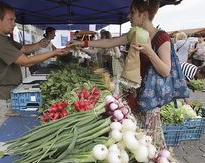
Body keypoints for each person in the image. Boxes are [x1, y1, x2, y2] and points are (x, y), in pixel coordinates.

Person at [68, 0, 171, 147]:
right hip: (133, 94)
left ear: (144, 14)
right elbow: (110, 42)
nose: (129, 16)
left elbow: (166, 70)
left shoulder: (161, 38)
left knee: (148, 142)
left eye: (133, 13)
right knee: (132, 137)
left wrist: (149, 51)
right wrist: (84, 43)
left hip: (149, 99)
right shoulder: (134, 33)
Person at [0, 2, 69, 127]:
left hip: (10, 92)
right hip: (2, 96)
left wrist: (39, 44)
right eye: (10, 20)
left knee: (15, 126)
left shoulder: (5, 39)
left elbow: (24, 49)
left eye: (14, 20)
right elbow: (26, 61)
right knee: (7, 130)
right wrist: (54, 53)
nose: (13, 24)